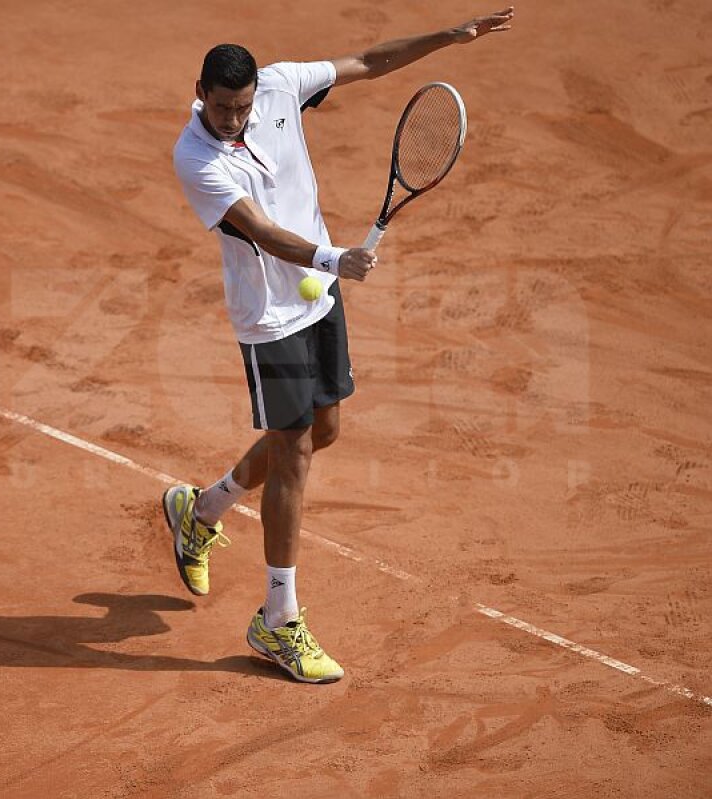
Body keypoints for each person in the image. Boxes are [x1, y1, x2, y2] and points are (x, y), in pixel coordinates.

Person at [165, 8, 514, 683]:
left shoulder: (281, 84)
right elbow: (260, 231)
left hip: (319, 297)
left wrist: (446, 36)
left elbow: (366, 62)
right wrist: (332, 256)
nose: (234, 118)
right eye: (222, 106)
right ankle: (278, 617)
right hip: (270, 313)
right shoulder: (195, 156)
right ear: (200, 92)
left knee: (323, 430)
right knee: (293, 449)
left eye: (242, 106)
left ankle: (201, 507)